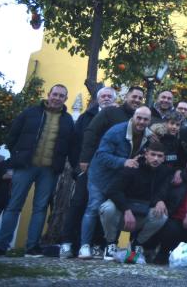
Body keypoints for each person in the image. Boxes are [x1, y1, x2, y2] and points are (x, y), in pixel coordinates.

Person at [0, 84, 75, 257]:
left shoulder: (68, 120)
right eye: (55, 94)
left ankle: (32, 247)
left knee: (40, 208)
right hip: (25, 167)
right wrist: (17, 156)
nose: (57, 98)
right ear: (49, 94)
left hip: (49, 170)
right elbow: (12, 135)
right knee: (13, 206)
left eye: (61, 96)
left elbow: (70, 145)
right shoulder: (30, 112)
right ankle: (1, 245)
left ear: (65, 99)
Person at [79, 106, 153, 259]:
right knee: (94, 208)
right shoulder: (116, 131)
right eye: (139, 118)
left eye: (145, 119)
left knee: (121, 210)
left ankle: (115, 246)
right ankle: (84, 246)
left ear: (149, 121)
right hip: (101, 177)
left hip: (122, 180)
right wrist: (123, 162)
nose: (141, 122)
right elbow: (101, 155)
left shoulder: (149, 136)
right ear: (133, 117)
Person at [60, 86, 116, 258]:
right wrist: (79, 165)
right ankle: (67, 243)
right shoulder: (86, 117)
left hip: (109, 169)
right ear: (98, 99)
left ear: (114, 99)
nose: (106, 98)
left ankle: (97, 244)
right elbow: (76, 142)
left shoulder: (118, 117)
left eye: (109, 96)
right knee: (78, 203)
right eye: (103, 96)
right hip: (87, 167)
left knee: (103, 207)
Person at [99, 142, 171, 260]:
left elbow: (163, 190)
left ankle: (136, 244)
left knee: (162, 215)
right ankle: (110, 244)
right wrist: (126, 210)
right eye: (153, 154)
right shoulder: (133, 167)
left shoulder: (164, 172)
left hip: (140, 214)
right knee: (107, 208)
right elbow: (112, 191)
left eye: (160, 156)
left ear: (164, 158)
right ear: (146, 154)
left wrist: (160, 200)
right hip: (122, 212)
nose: (156, 159)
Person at [79, 86, 145, 174]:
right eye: (134, 96)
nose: (137, 100)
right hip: (100, 163)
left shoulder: (139, 118)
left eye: (140, 98)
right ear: (126, 97)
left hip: (123, 168)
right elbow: (91, 132)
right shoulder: (110, 111)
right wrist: (85, 159)